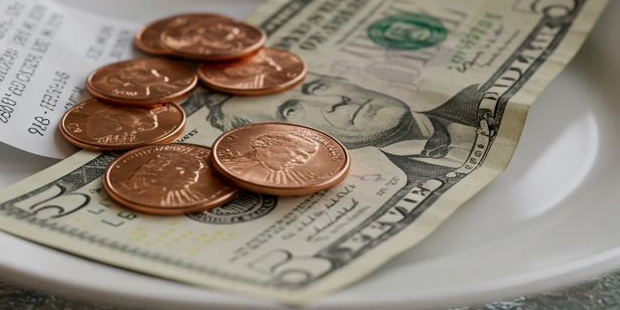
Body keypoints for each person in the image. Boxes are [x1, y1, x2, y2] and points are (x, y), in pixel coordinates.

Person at [201, 74, 483, 178]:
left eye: (317, 87)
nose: (335, 101)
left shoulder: (482, 96)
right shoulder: (400, 180)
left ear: (342, 80)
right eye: (292, 110)